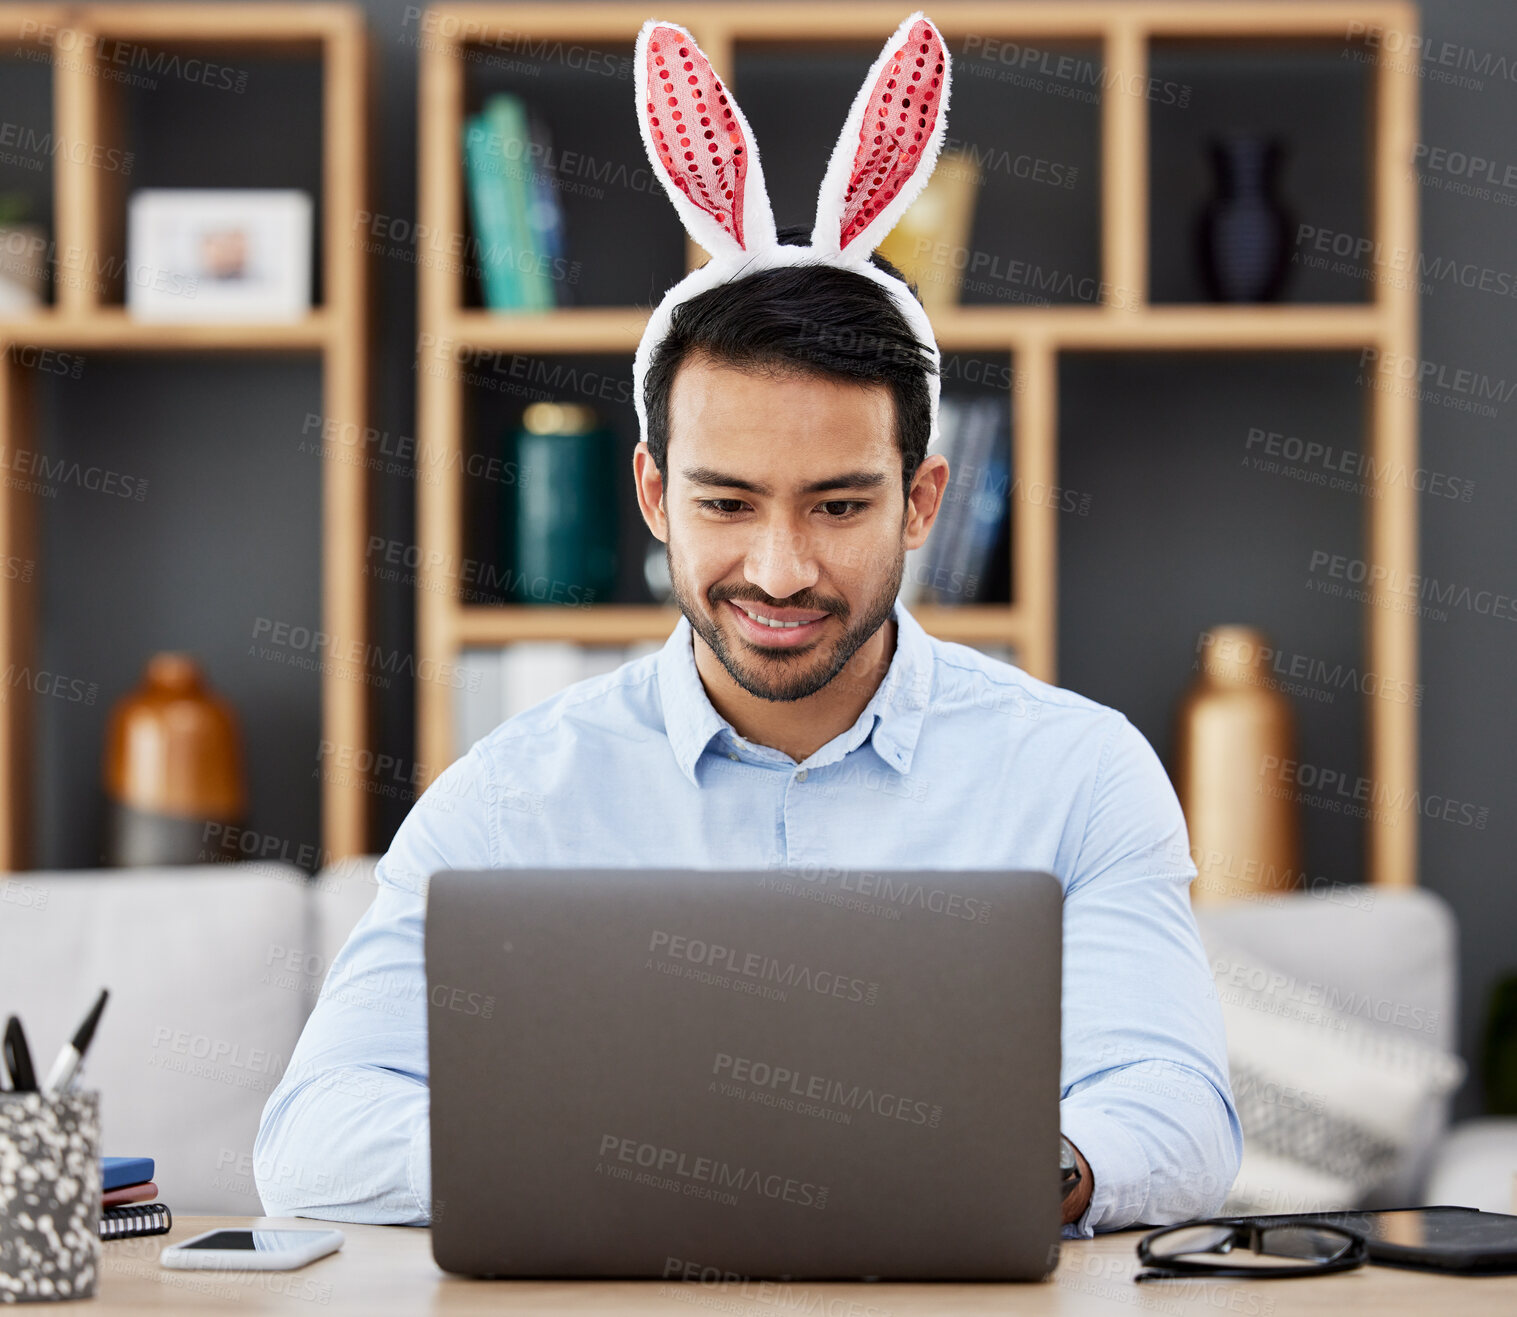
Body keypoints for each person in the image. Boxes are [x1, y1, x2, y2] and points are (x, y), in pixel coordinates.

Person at [256, 10, 1240, 1238]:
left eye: (837, 505)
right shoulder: (511, 796)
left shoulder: (1079, 775)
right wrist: (644, 1154)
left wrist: (1003, 1168)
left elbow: (1179, 1117)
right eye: (727, 503)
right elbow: (313, 1139)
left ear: (920, 500)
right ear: (655, 495)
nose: (779, 571)